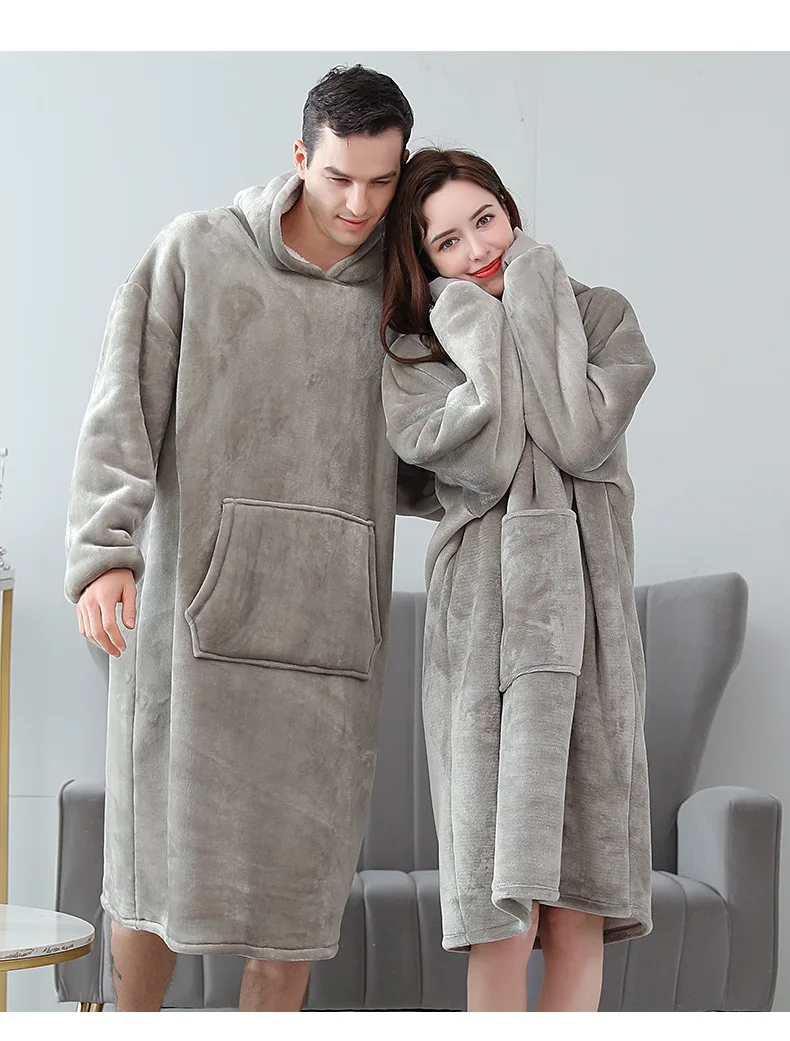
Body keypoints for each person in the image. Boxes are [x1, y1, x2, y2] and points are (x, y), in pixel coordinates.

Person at [64, 64, 437, 1013]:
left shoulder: (403, 290)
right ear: (301, 156)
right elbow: (121, 408)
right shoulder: (197, 252)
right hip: (189, 636)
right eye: (340, 176)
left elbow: (427, 456)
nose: (359, 204)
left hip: (329, 646)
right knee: (152, 875)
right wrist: (103, 554)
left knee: (296, 904)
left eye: (382, 181)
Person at [380, 149, 656, 1012]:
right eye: (447, 243)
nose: (477, 249)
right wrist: (472, 320)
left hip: (592, 624)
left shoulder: (601, 316)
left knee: (577, 910)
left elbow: (577, 435)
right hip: (481, 633)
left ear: (511, 212)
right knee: (503, 917)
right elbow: (493, 458)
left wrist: (531, 295)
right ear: (426, 263)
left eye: (486, 221)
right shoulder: (417, 354)